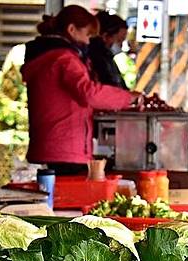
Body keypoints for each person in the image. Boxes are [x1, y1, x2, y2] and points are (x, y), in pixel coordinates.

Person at [22, 5, 140, 175]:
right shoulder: (64, 59)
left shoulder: (51, 57)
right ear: (72, 29)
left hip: (54, 146)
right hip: (63, 150)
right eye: (87, 35)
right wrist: (128, 98)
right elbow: (88, 93)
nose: (88, 42)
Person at [88, 11, 128, 89]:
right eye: (119, 40)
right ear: (105, 36)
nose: (121, 45)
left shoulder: (108, 57)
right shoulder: (96, 58)